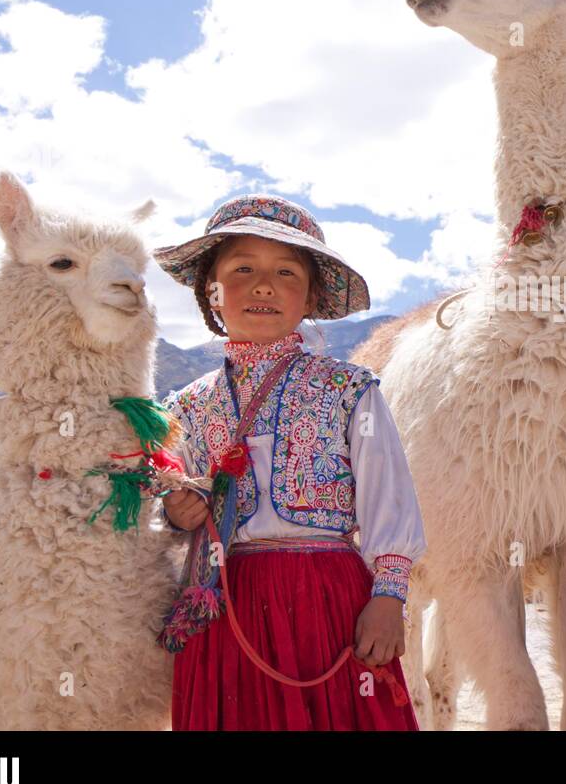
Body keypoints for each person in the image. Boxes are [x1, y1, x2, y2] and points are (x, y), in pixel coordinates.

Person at [152, 195, 424, 730]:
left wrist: (389, 598)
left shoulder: (348, 389)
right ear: (211, 290)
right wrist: (178, 512)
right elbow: (175, 501)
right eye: (243, 269)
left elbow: (388, 498)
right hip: (226, 604)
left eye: (285, 272)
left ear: (310, 296)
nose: (263, 285)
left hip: (329, 598)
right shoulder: (184, 407)